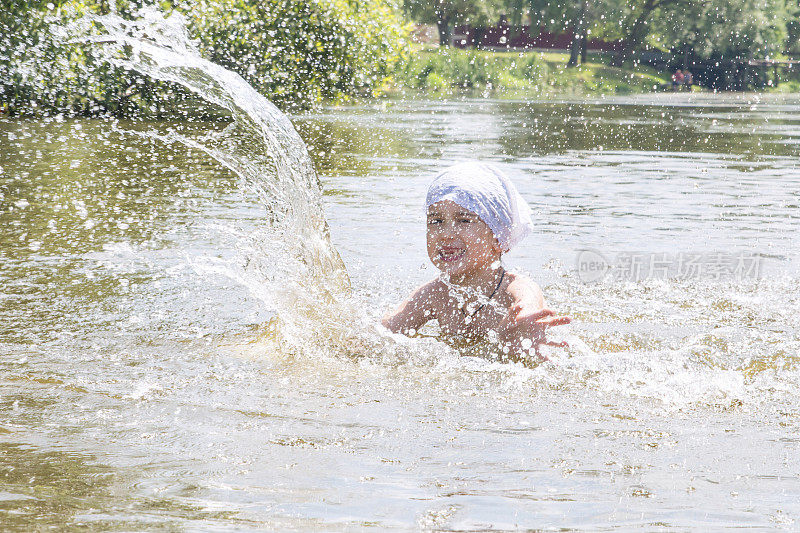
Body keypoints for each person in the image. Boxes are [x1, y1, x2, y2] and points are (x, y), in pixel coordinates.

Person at [381, 162, 571, 363]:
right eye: (436, 221)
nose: (445, 234)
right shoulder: (435, 293)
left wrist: (523, 323)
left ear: (498, 237)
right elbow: (385, 332)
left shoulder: (514, 287)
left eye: (464, 220)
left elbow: (528, 304)